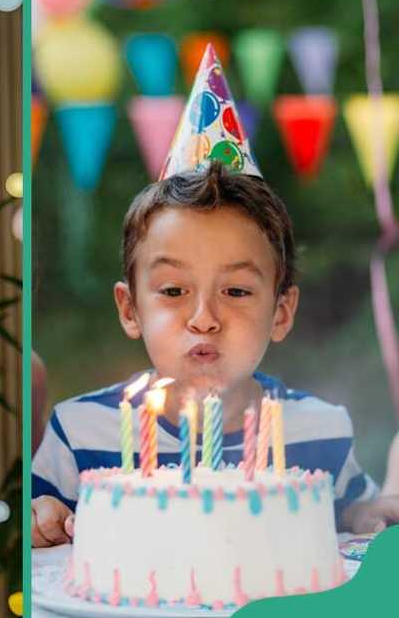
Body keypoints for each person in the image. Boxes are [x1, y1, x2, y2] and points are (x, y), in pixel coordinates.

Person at [31, 46, 399, 548]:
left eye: (237, 290)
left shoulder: (319, 431)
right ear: (129, 308)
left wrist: (370, 514)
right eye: (174, 290)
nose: (204, 318)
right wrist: (43, 520)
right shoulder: (80, 435)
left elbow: (356, 519)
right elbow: (43, 530)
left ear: (282, 311)